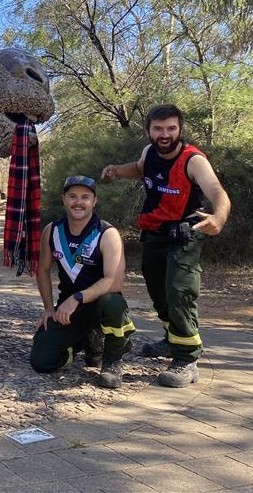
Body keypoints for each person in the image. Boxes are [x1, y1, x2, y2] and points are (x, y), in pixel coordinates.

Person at [101, 104, 231, 388]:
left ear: (180, 129)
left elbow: (217, 191)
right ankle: (173, 340)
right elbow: (138, 169)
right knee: (159, 293)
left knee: (178, 291)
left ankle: (187, 358)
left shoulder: (192, 160)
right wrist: (116, 172)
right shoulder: (149, 153)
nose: (165, 134)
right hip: (154, 234)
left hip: (185, 235)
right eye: (158, 128)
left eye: (171, 128)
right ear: (148, 130)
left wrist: (219, 216)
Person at [29, 175, 135, 388]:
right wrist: (49, 308)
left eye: (85, 197)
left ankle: (113, 359)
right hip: (68, 312)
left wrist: (78, 298)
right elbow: (43, 269)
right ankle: (85, 341)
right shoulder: (52, 230)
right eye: (73, 196)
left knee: (113, 303)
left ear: (94, 201)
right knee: (41, 361)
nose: (78, 202)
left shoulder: (107, 233)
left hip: (98, 305)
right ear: (64, 199)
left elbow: (113, 282)